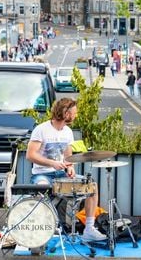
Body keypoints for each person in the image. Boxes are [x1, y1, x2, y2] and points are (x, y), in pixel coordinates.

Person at [26, 98, 106, 241]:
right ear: (66, 113)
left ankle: (89, 229)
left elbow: (69, 158)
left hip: (61, 175)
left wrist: (70, 168)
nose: (76, 115)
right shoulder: (41, 129)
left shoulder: (68, 132)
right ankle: (42, 230)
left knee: (91, 186)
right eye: (74, 112)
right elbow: (30, 155)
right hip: (43, 174)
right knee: (41, 187)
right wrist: (52, 163)